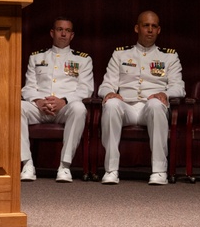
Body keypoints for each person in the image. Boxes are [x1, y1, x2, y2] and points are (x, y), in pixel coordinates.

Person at [98, 11, 184, 185]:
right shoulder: (120, 54)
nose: (150, 30)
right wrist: (109, 93)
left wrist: (165, 94)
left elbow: (179, 87)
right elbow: (106, 84)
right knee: (111, 104)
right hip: (127, 107)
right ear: (137, 28)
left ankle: (159, 171)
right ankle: (111, 169)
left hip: (150, 108)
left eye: (154, 26)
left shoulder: (169, 56)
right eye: (146, 25)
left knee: (156, 104)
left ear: (159, 30)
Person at [20, 18, 94, 183]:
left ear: (72, 35)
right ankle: (27, 164)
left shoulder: (83, 59)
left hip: (64, 108)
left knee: (79, 108)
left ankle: (64, 166)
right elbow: (28, 87)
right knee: (18, 107)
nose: (63, 33)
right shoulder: (37, 57)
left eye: (67, 30)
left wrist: (64, 101)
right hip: (40, 107)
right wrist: (39, 101)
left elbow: (85, 89)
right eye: (60, 29)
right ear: (52, 33)